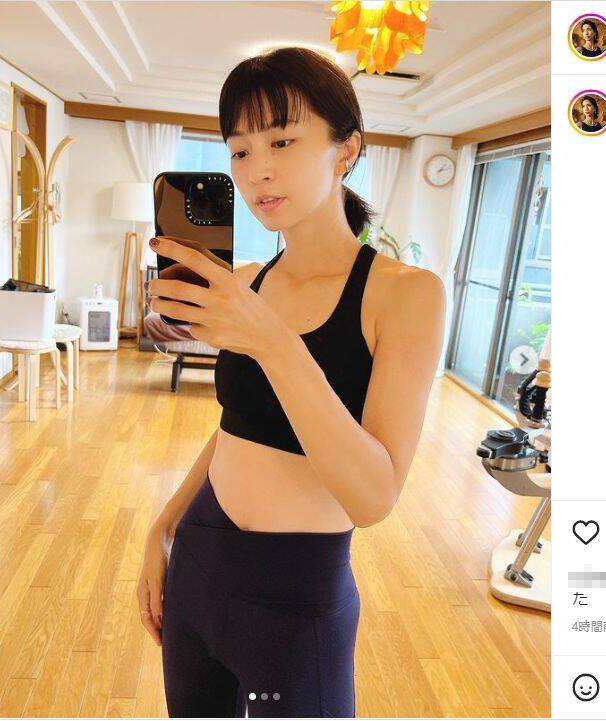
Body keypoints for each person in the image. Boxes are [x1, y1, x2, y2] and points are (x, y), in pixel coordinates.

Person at [137, 46, 445, 718]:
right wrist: (162, 525)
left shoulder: (405, 294)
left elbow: (373, 496)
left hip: (297, 597)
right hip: (199, 559)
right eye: (240, 150)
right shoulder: (248, 281)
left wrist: (272, 341)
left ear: (346, 150)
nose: (258, 169)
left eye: (282, 140)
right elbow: (237, 427)